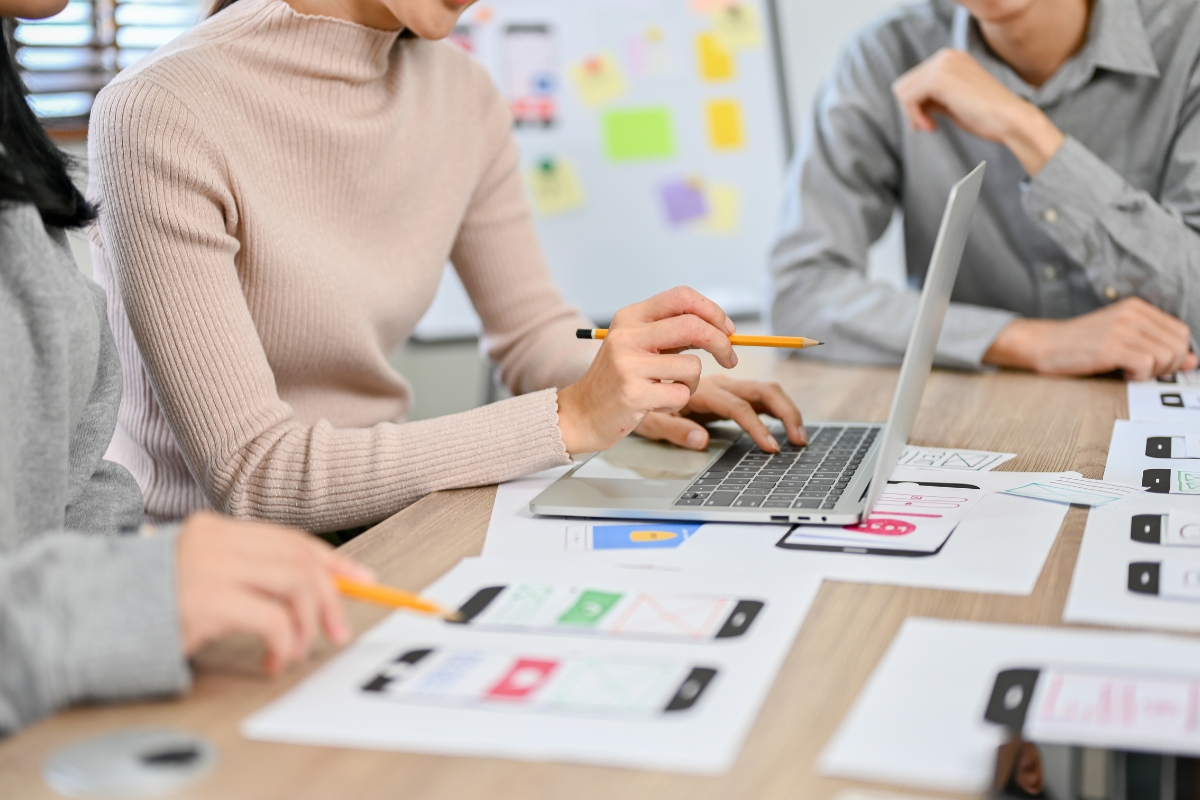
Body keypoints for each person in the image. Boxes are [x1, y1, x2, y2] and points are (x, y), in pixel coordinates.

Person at [86, 0, 806, 535]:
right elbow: (254, 475)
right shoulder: (158, 111)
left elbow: (533, 338)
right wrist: (573, 416)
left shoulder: (464, 94)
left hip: (388, 526)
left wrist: (643, 383)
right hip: (209, 570)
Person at [0, 8, 375, 735]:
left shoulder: (20, 171)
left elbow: (76, 485)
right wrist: (129, 597)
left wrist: (130, 600)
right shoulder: (158, 106)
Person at [769, 0, 1200, 381]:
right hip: (980, 414)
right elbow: (802, 292)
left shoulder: (1188, 38)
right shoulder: (885, 55)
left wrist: (1027, 130)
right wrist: (1029, 342)